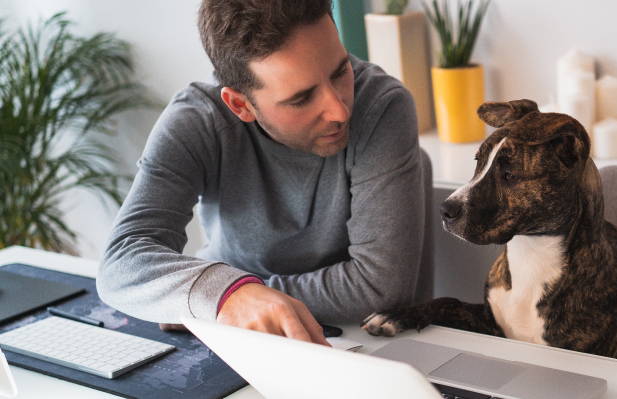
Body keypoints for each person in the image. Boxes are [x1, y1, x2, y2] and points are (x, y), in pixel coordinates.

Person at [97, 0, 427, 346]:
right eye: (301, 99)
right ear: (240, 105)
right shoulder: (196, 120)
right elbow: (121, 262)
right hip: (230, 332)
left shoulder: (382, 105)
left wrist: (229, 298)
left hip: (357, 338)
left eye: (340, 71)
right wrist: (229, 298)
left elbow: (379, 287)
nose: (339, 111)